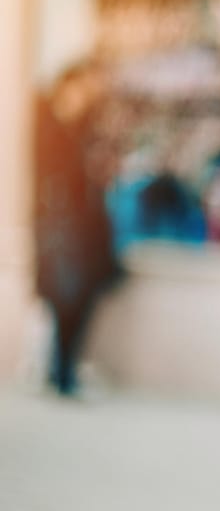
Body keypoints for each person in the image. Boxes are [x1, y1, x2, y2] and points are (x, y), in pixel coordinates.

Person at [32, 61, 120, 396]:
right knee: (63, 296)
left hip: (87, 229)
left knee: (81, 297)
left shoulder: (88, 125)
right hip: (62, 230)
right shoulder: (48, 123)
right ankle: (60, 369)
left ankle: (63, 368)